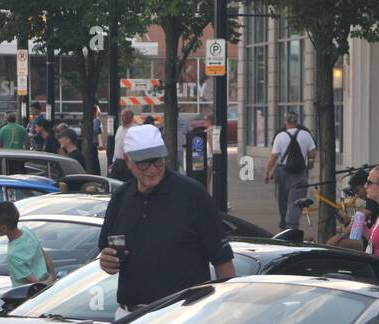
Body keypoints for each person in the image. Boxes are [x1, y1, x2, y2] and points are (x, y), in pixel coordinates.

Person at [97, 123, 233, 313]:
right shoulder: (120, 197)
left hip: (182, 316)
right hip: (129, 318)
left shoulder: (193, 195)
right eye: (144, 162)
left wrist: (225, 312)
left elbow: (222, 259)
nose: (152, 169)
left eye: (158, 161)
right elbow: (105, 250)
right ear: (128, 161)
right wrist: (106, 261)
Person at [264, 111, 315, 232]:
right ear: (297, 122)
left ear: (285, 122)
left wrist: (267, 172)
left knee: (283, 200)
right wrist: (310, 163)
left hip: (282, 171)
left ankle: (285, 223)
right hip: (300, 171)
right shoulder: (306, 135)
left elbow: (273, 157)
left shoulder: (280, 136)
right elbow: (312, 153)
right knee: (296, 201)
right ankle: (291, 224)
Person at [0, 201, 55, 287]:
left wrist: (47, 284)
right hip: (48, 282)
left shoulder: (13, 256)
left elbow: (36, 285)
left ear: (3, 228)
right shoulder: (28, 232)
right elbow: (49, 262)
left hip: (28, 296)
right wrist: (52, 279)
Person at [326, 168, 379, 250]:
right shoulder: (371, 200)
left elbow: (359, 218)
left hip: (372, 239)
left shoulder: (373, 199)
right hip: (368, 236)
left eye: (357, 191)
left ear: (364, 185)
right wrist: (347, 221)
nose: (357, 195)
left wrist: (344, 231)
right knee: (332, 243)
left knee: (337, 244)